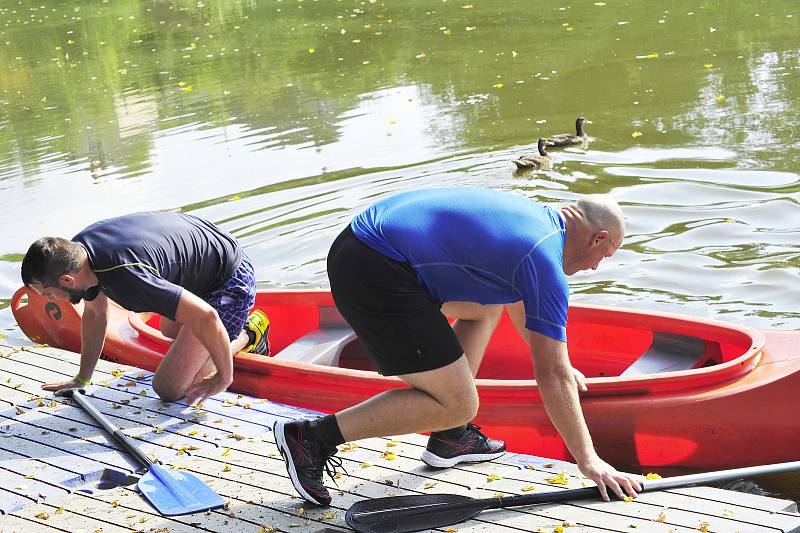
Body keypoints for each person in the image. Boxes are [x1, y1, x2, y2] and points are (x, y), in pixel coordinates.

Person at [274, 187, 641, 506]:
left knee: (485, 308)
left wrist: (562, 363)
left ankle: (451, 436)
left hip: (362, 245)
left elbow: (519, 305)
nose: (595, 267)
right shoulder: (545, 262)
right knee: (460, 403)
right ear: (597, 238)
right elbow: (550, 374)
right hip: (376, 269)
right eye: (605, 256)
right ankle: (311, 437)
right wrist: (589, 460)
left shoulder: (538, 222)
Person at [20, 211, 270, 406]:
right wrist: (82, 378)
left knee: (171, 388)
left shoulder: (127, 276)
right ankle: (213, 342)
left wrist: (224, 377)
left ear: (67, 281)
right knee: (169, 331)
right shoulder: (77, 255)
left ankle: (249, 333)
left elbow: (206, 316)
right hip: (203, 263)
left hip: (229, 280)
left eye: (50, 294)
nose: (53, 300)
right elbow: (96, 313)